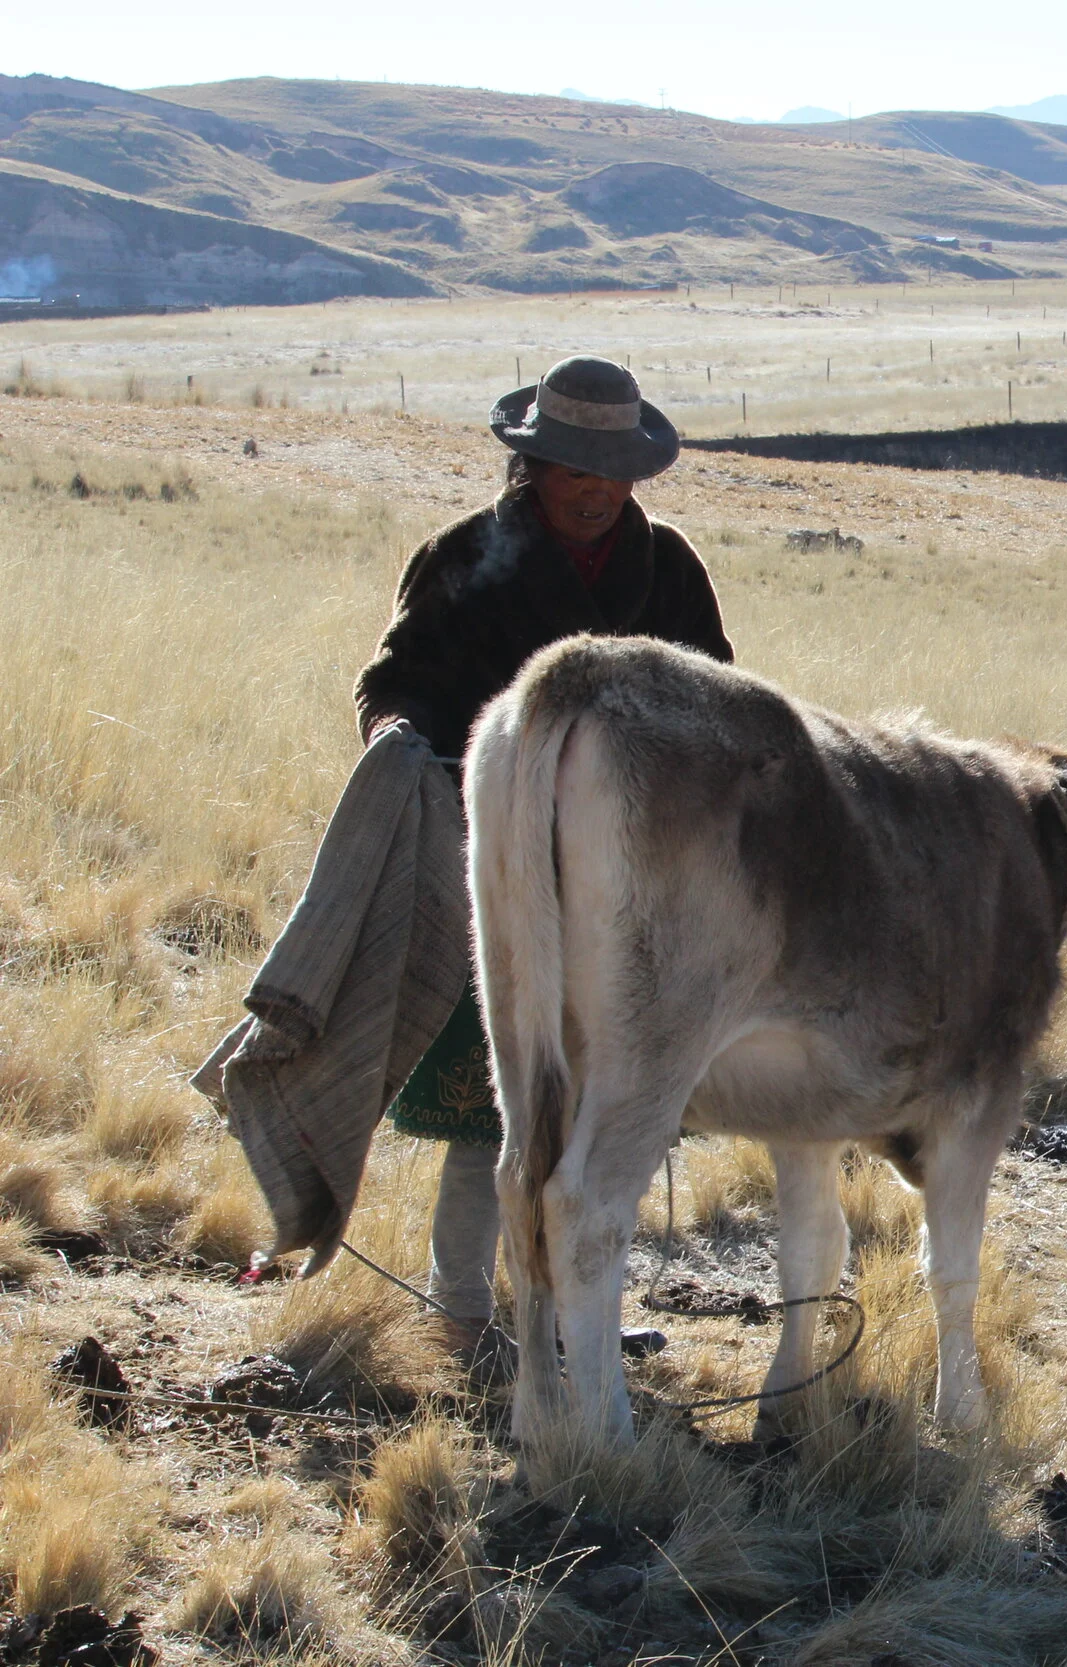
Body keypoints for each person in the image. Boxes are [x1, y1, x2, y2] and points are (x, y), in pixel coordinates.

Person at [358, 355, 732, 1358]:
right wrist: (398, 739)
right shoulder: (462, 556)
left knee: (611, 1106)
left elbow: (716, 702)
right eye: (573, 465)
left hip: (633, 883)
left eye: (610, 468)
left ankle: (575, 1317)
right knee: (501, 1101)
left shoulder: (673, 572)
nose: (593, 486)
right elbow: (397, 684)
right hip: (496, 870)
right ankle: (462, 1318)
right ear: (535, 465)